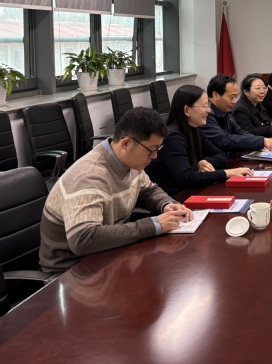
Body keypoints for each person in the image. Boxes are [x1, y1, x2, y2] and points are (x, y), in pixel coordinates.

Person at [39, 107, 194, 273]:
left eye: (158, 149)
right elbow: (83, 239)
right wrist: (153, 225)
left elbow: (148, 190)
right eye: (151, 149)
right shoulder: (89, 176)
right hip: (71, 271)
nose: (155, 156)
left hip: (107, 256)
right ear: (126, 143)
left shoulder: (131, 162)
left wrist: (166, 204)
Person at [146, 85, 254, 195]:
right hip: (174, 197)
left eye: (208, 105)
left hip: (191, 192)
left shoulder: (194, 130)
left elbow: (221, 156)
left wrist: (204, 162)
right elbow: (186, 178)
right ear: (187, 110)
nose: (209, 110)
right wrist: (227, 173)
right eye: (204, 106)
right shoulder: (173, 137)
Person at [200, 74, 272, 156]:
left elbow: (240, 132)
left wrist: (261, 142)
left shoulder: (226, 112)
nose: (234, 101)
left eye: (236, 97)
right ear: (215, 95)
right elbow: (224, 140)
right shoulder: (205, 116)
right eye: (231, 97)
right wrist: (260, 142)